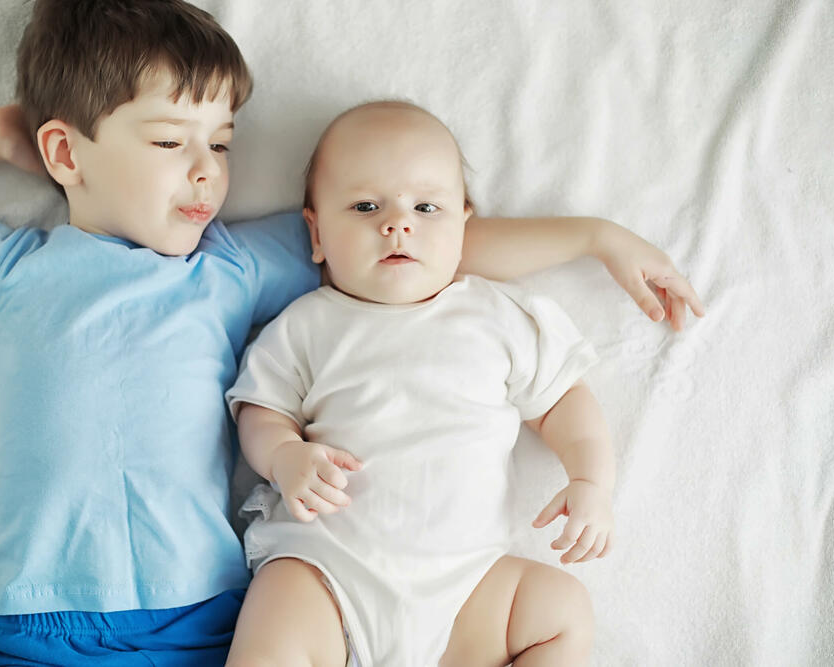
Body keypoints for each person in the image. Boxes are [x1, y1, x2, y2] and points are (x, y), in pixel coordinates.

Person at [0, 1, 702, 664]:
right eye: (169, 141)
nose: (207, 169)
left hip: (204, 616)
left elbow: (416, 246)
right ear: (64, 151)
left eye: (221, 143)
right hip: (42, 622)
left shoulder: (229, 266)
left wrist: (596, 238)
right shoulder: (8, 270)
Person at [224, 101, 621, 667]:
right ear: (316, 232)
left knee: (562, 609)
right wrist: (284, 455)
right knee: (278, 606)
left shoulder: (496, 314)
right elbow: (261, 411)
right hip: (329, 574)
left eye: (426, 207)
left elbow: (564, 403)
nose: (397, 224)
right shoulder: (306, 324)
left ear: (463, 225)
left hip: (465, 588)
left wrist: (591, 480)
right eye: (365, 206)